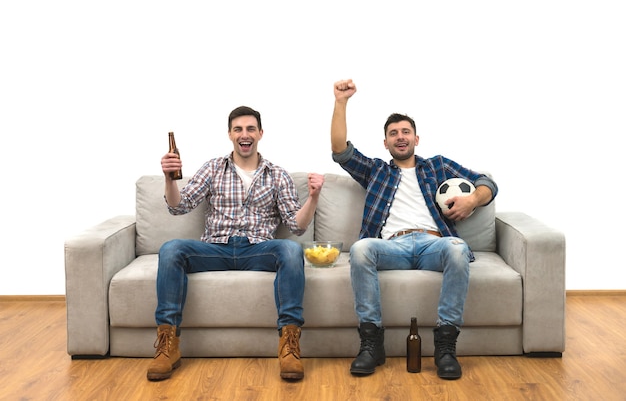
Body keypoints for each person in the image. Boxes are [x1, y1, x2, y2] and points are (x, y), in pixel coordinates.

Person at [330, 79, 498, 380]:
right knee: (360, 248)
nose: (400, 137)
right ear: (386, 143)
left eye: (405, 131)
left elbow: (488, 183)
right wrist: (341, 102)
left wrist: (472, 200)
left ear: (416, 139)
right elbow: (340, 151)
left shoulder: (437, 166)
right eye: (393, 133)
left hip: (434, 244)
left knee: (458, 249)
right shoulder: (377, 170)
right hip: (391, 246)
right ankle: (371, 344)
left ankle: (445, 346)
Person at [147, 105, 324, 382]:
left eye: (250, 129)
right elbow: (178, 206)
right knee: (172, 249)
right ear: (230, 134)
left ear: (260, 134)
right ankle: (168, 344)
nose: (245, 134)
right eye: (238, 129)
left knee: (290, 249)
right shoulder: (213, 167)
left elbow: (296, 226)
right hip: (215, 248)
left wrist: (313, 197)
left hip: (258, 249)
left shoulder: (277, 174)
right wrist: (170, 180)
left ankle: (289, 344)